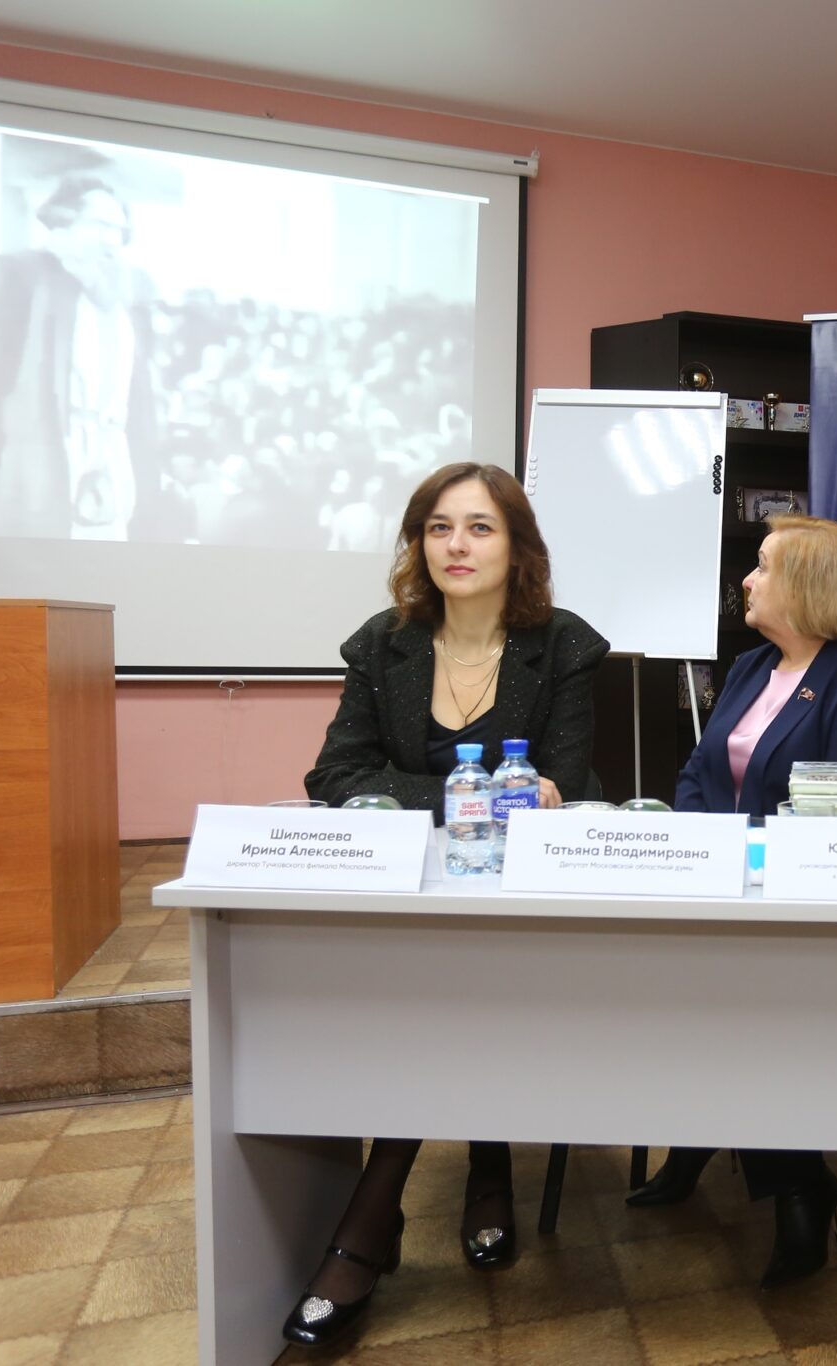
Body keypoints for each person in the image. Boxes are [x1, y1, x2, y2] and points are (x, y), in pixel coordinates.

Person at [284, 462, 609, 1346]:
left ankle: (370, 1221)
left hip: (526, 900)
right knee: (439, 986)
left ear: (518, 548)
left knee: (457, 987)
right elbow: (334, 775)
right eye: (437, 528)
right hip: (410, 894)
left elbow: (562, 785)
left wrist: (430, 791)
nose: (455, 546)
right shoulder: (381, 645)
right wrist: (474, 793)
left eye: (478, 527)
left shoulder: (565, 647)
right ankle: (486, 1168)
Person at [633, 515, 837, 1288]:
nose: (747, 581)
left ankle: (799, 1186)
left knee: (743, 1007)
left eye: (761, 566)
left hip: (800, 912)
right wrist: (702, 855)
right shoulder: (752, 666)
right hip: (718, 891)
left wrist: (748, 868)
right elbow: (697, 772)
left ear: (806, 586)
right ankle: (715, 1141)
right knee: (677, 989)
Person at [0, 175, 158, 540]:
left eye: (120, 230)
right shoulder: (15, 276)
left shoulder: (119, 304)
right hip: (33, 464)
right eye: (101, 225)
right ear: (61, 222)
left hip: (111, 464)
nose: (112, 240)